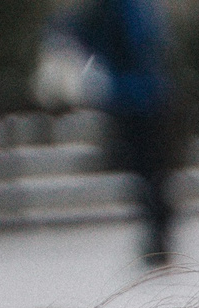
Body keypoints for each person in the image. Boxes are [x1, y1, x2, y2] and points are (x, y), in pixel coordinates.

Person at [54, 0, 174, 267]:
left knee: (147, 174)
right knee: (151, 175)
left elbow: (112, 45)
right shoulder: (131, 9)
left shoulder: (118, 9)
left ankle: (158, 241)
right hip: (143, 97)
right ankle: (158, 240)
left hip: (132, 99)